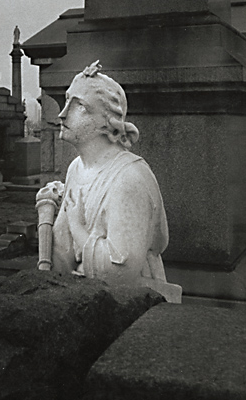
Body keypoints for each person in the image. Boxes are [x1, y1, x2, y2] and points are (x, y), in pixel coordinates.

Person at [36, 61, 181, 302]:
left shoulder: (129, 178)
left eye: (79, 106)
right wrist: (49, 223)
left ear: (107, 123)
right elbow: (63, 261)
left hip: (129, 306)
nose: (62, 114)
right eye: (66, 101)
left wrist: (76, 226)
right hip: (85, 298)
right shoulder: (76, 168)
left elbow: (119, 272)